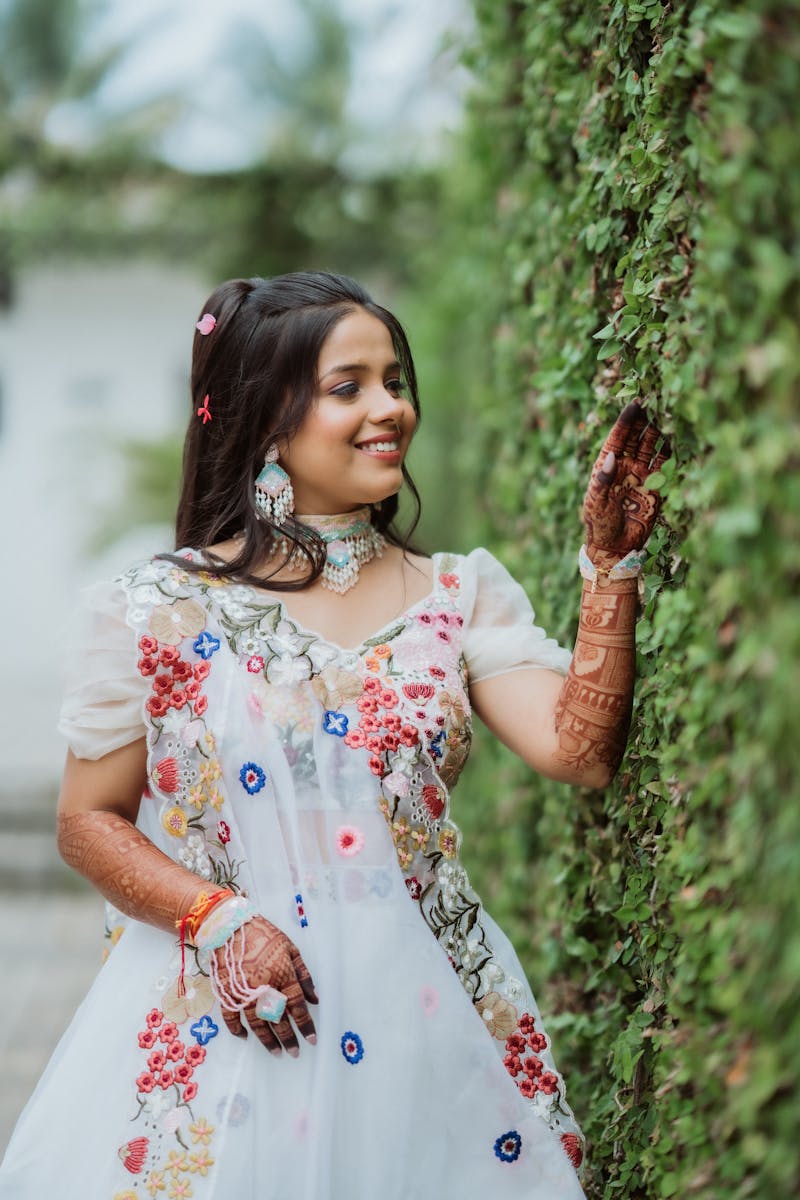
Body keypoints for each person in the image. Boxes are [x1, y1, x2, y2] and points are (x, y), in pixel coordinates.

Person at [0, 272, 666, 1199]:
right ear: (268, 421)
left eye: (395, 380)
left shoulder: (456, 597)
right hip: (230, 1017)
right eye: (349, 386)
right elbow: (86, 821)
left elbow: (579, 751)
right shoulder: (156, 610)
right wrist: (219, 920)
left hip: (425, 1014)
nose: (391, 407)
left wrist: (613, 569)